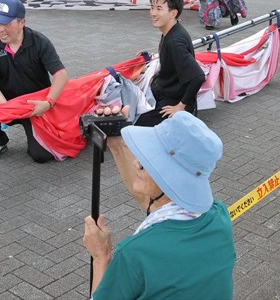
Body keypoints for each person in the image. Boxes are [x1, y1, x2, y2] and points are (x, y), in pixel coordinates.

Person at [83, 112, 236, 300]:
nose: (136, 162)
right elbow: (156, 204)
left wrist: (101, 256)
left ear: (170, 177)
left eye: (149, 161)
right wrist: (117, 145)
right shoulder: (219, 217)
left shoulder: (135, 253)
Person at [0, 0, 69, 163]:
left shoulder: (39, 42)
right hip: (7, 100)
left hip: (35, 104)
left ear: (22, 22)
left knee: (41, 156)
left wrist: (48, 103)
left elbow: (61, 76)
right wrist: (5, 106)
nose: (0, 29)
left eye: (6, 23)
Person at [135, 0, 205, 127]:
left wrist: (181, 106)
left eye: (159, 8)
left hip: (172, 102)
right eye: (152, 7)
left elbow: (198, 77)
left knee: (132, 127)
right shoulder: (170, 31)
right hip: (163, 91)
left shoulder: (175, 41)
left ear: (173, 13)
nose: (153, 13)